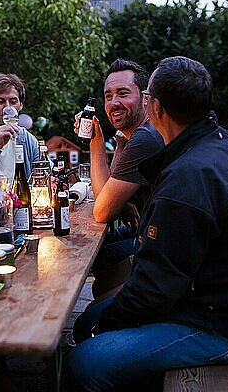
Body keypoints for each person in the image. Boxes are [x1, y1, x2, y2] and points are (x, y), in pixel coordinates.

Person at [67, 56, 228, 391]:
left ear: (155, 108)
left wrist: (107, 324)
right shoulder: (227, 142)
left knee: (83, 361)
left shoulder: (183, 179)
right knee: (87, 323)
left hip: (224, 322)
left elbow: (153, 289)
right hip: (216, 294)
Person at [74, 58, 164, 298]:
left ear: (146, 98)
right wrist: (121, 141)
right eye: (108, 96)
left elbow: (103, 209)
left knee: (89, 318)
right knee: (102, 260)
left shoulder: (146, 138)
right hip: (149, 237)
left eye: (123, 93)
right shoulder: (137, 136)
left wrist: (95, 143)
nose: (114, 102)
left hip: (161, 253)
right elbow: (111, 189)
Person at [0, 73, 39, 182]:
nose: (8, 108)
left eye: (13, 102)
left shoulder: (29, 140)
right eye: (0, 101)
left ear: (21, 105)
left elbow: (45, 174)